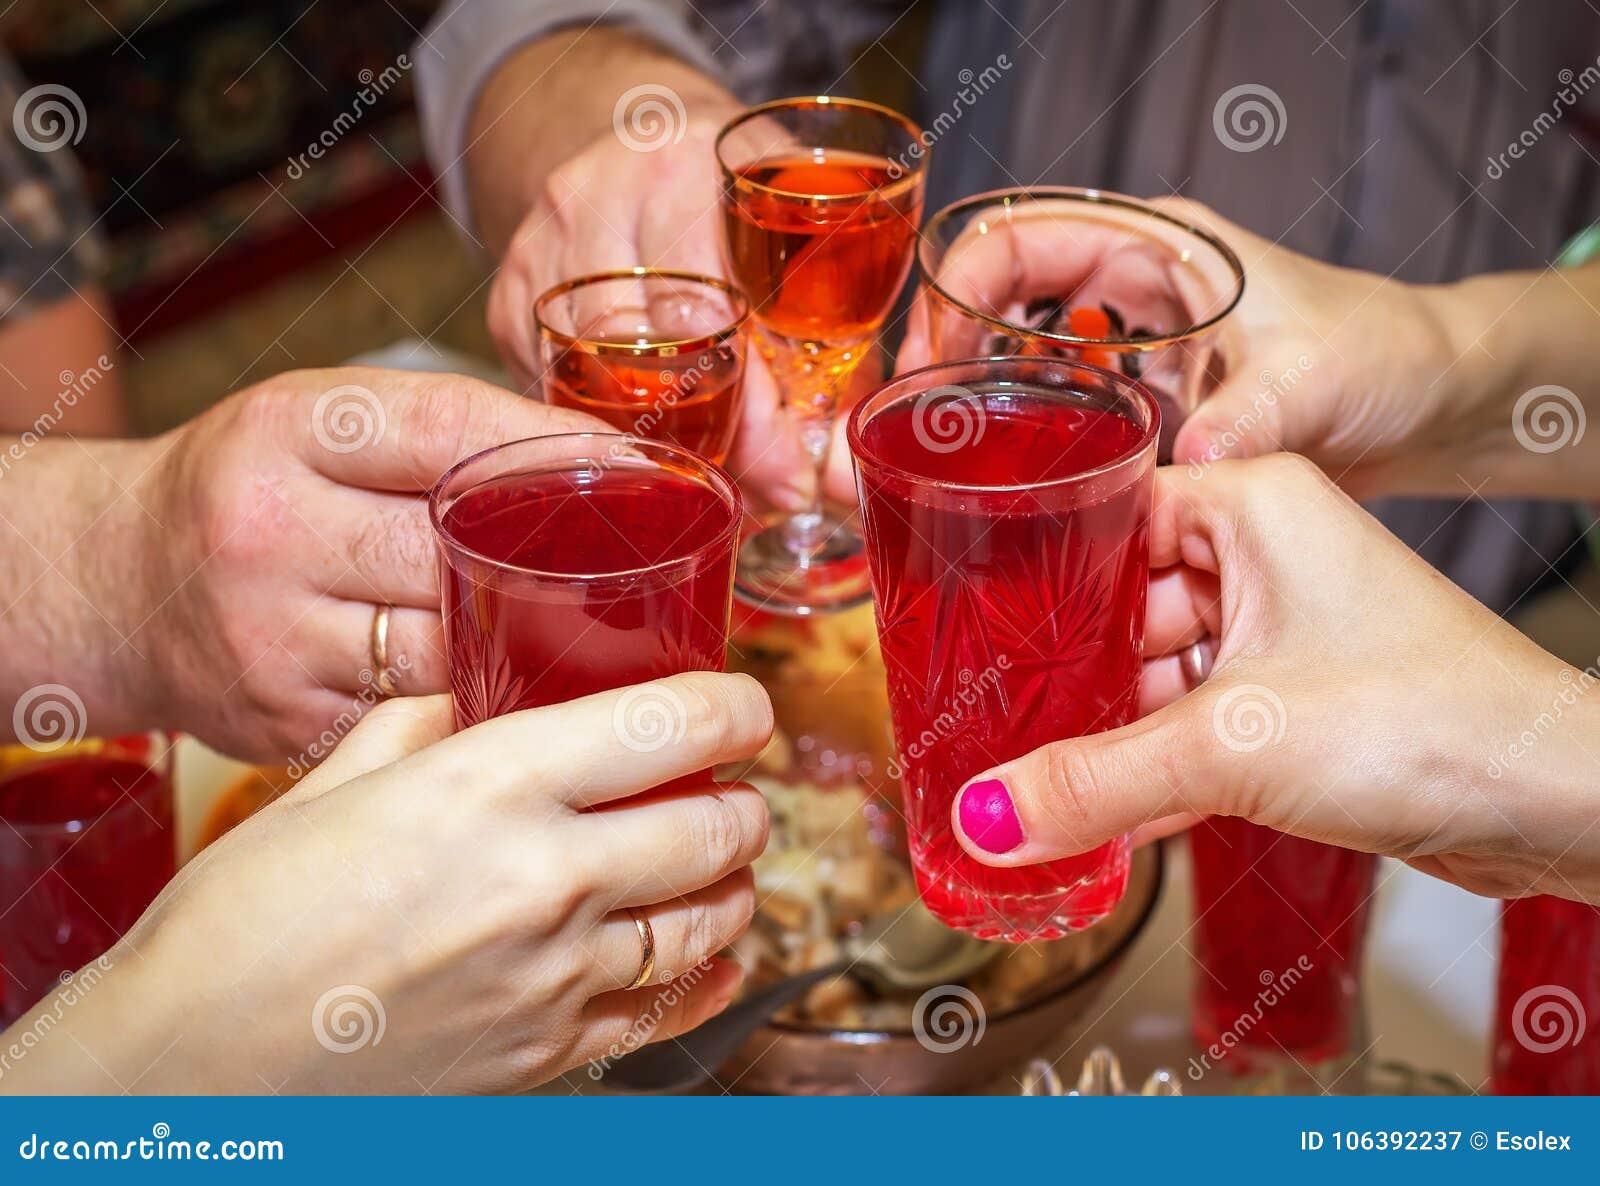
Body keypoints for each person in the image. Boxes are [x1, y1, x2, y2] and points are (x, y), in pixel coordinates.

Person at [412, 1, 1600, 903]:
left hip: (1494, 629)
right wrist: (631, 122)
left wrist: (1548, 755)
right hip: (946, 619)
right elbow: (524, 22)